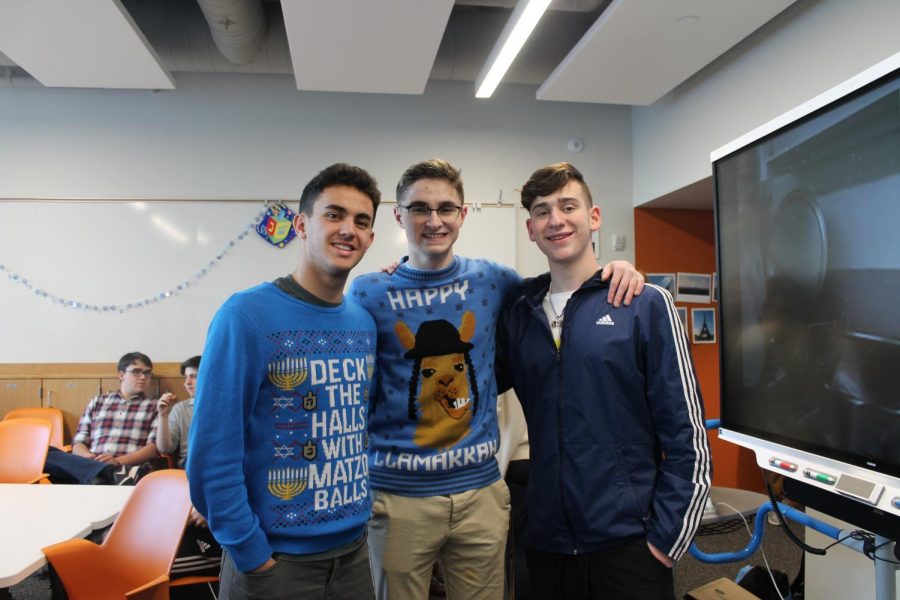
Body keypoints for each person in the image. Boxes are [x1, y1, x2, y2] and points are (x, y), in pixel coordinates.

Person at [348, 158, 644, 600]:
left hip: (480, 495)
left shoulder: (495, 281)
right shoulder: (368, 292)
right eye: (419, 209)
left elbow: (564, 285)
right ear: (398, 215)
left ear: (463, 215)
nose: (434, 220)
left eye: (446, 208)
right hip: (398, 498)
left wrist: (615, 271)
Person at [497, 163, 712, 600]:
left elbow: (687, 434)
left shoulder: (643, 303)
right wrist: (405, 274)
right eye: (542, 212)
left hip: (630, 547)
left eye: (567, 206)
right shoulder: (518, 313)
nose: (555, 220)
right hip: (545, 545)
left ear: (593, 217)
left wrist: (665, 541)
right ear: (530, 229)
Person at [187, 163, 381, 600]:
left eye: (361, 221)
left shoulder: (363, 324)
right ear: (301, 225)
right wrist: (251, 552)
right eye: (334, 214)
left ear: (370, 238)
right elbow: (211, 456)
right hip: (275, 563)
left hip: (353, 555)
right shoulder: (246, 316)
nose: (348, 229)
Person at [71, 351, 160, 468]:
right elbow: (79, 441)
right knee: (52, 454)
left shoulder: (155, 406)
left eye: (147, 373)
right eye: (136, 372)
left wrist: (117, 461)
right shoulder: (98, 402)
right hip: (92, 465)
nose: (143, 377)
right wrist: (88, 457)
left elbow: (153, 449)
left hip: (127, 468)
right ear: (121, 375)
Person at [157, 355, 201, 468]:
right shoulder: (181, 409)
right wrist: (163, 415)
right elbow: (165, 449)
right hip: (190, 465)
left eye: (193, 376)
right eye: (186, 377)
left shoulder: (224, 406)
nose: (186, 383)